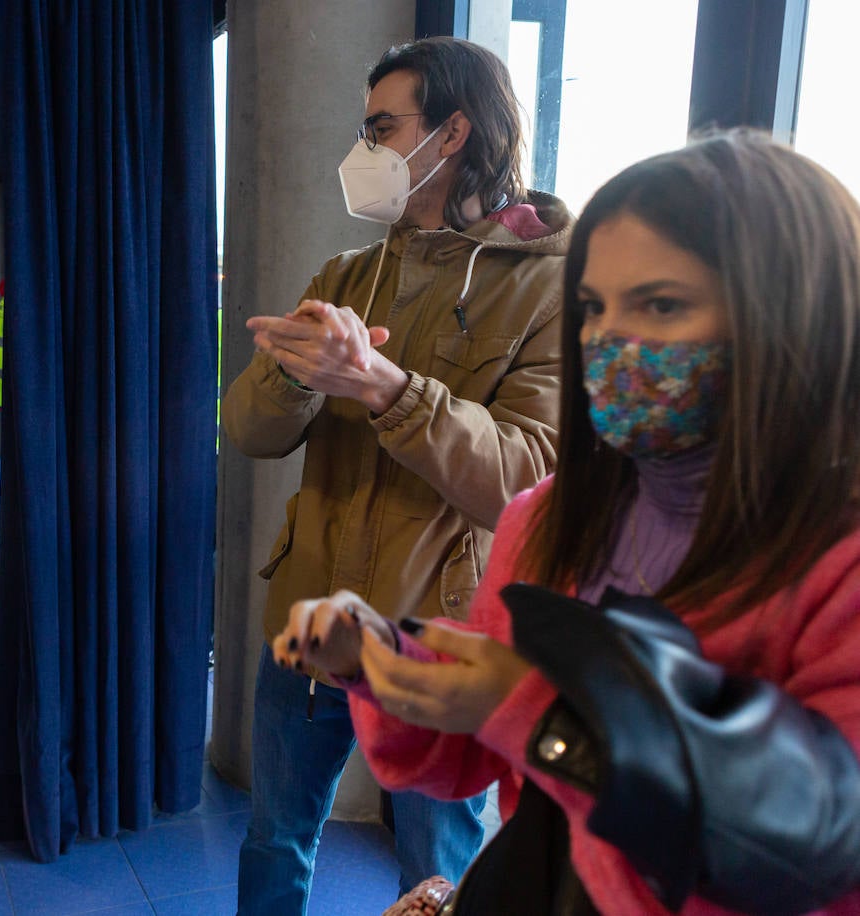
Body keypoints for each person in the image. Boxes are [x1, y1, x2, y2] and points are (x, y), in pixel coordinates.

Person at [274, 130, 860, 915]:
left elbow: (818, 849)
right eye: (592, 307)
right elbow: (467, 750)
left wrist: (532, 711)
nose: (608, 339)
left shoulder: (837, 562)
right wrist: (386, 660)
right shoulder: (548, 518)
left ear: (795, 315)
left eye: (661, 303)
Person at [222, 37, 571, 915]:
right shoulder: (346, 275)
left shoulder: (550, 289)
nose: (363, 152)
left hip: (441, 640)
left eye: (382, 129)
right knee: (275, 842)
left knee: (441, 874)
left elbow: (529, 476)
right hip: (311, 618)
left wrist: (384, 387)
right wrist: (298, 372)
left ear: (452, 133)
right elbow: (248, 431)